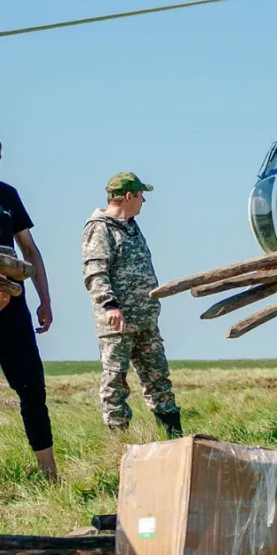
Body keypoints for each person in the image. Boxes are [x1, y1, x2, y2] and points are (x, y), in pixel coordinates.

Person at [0, 126, 58, 482]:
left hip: (14, 305)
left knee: (32, 386)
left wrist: (45, 298)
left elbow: (29, 248)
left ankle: (49, 470)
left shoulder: (7, 194)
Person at [82, 172, 181, 438]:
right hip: (118, 323)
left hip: (145, 321)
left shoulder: (132, 226)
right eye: (140, 195)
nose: (144, 200)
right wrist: (110, 305)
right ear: (128, 196)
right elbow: (95, 272)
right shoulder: (100, 228)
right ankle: (119, 443)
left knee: (158, 379)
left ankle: (173, 437)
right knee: (115, 383)